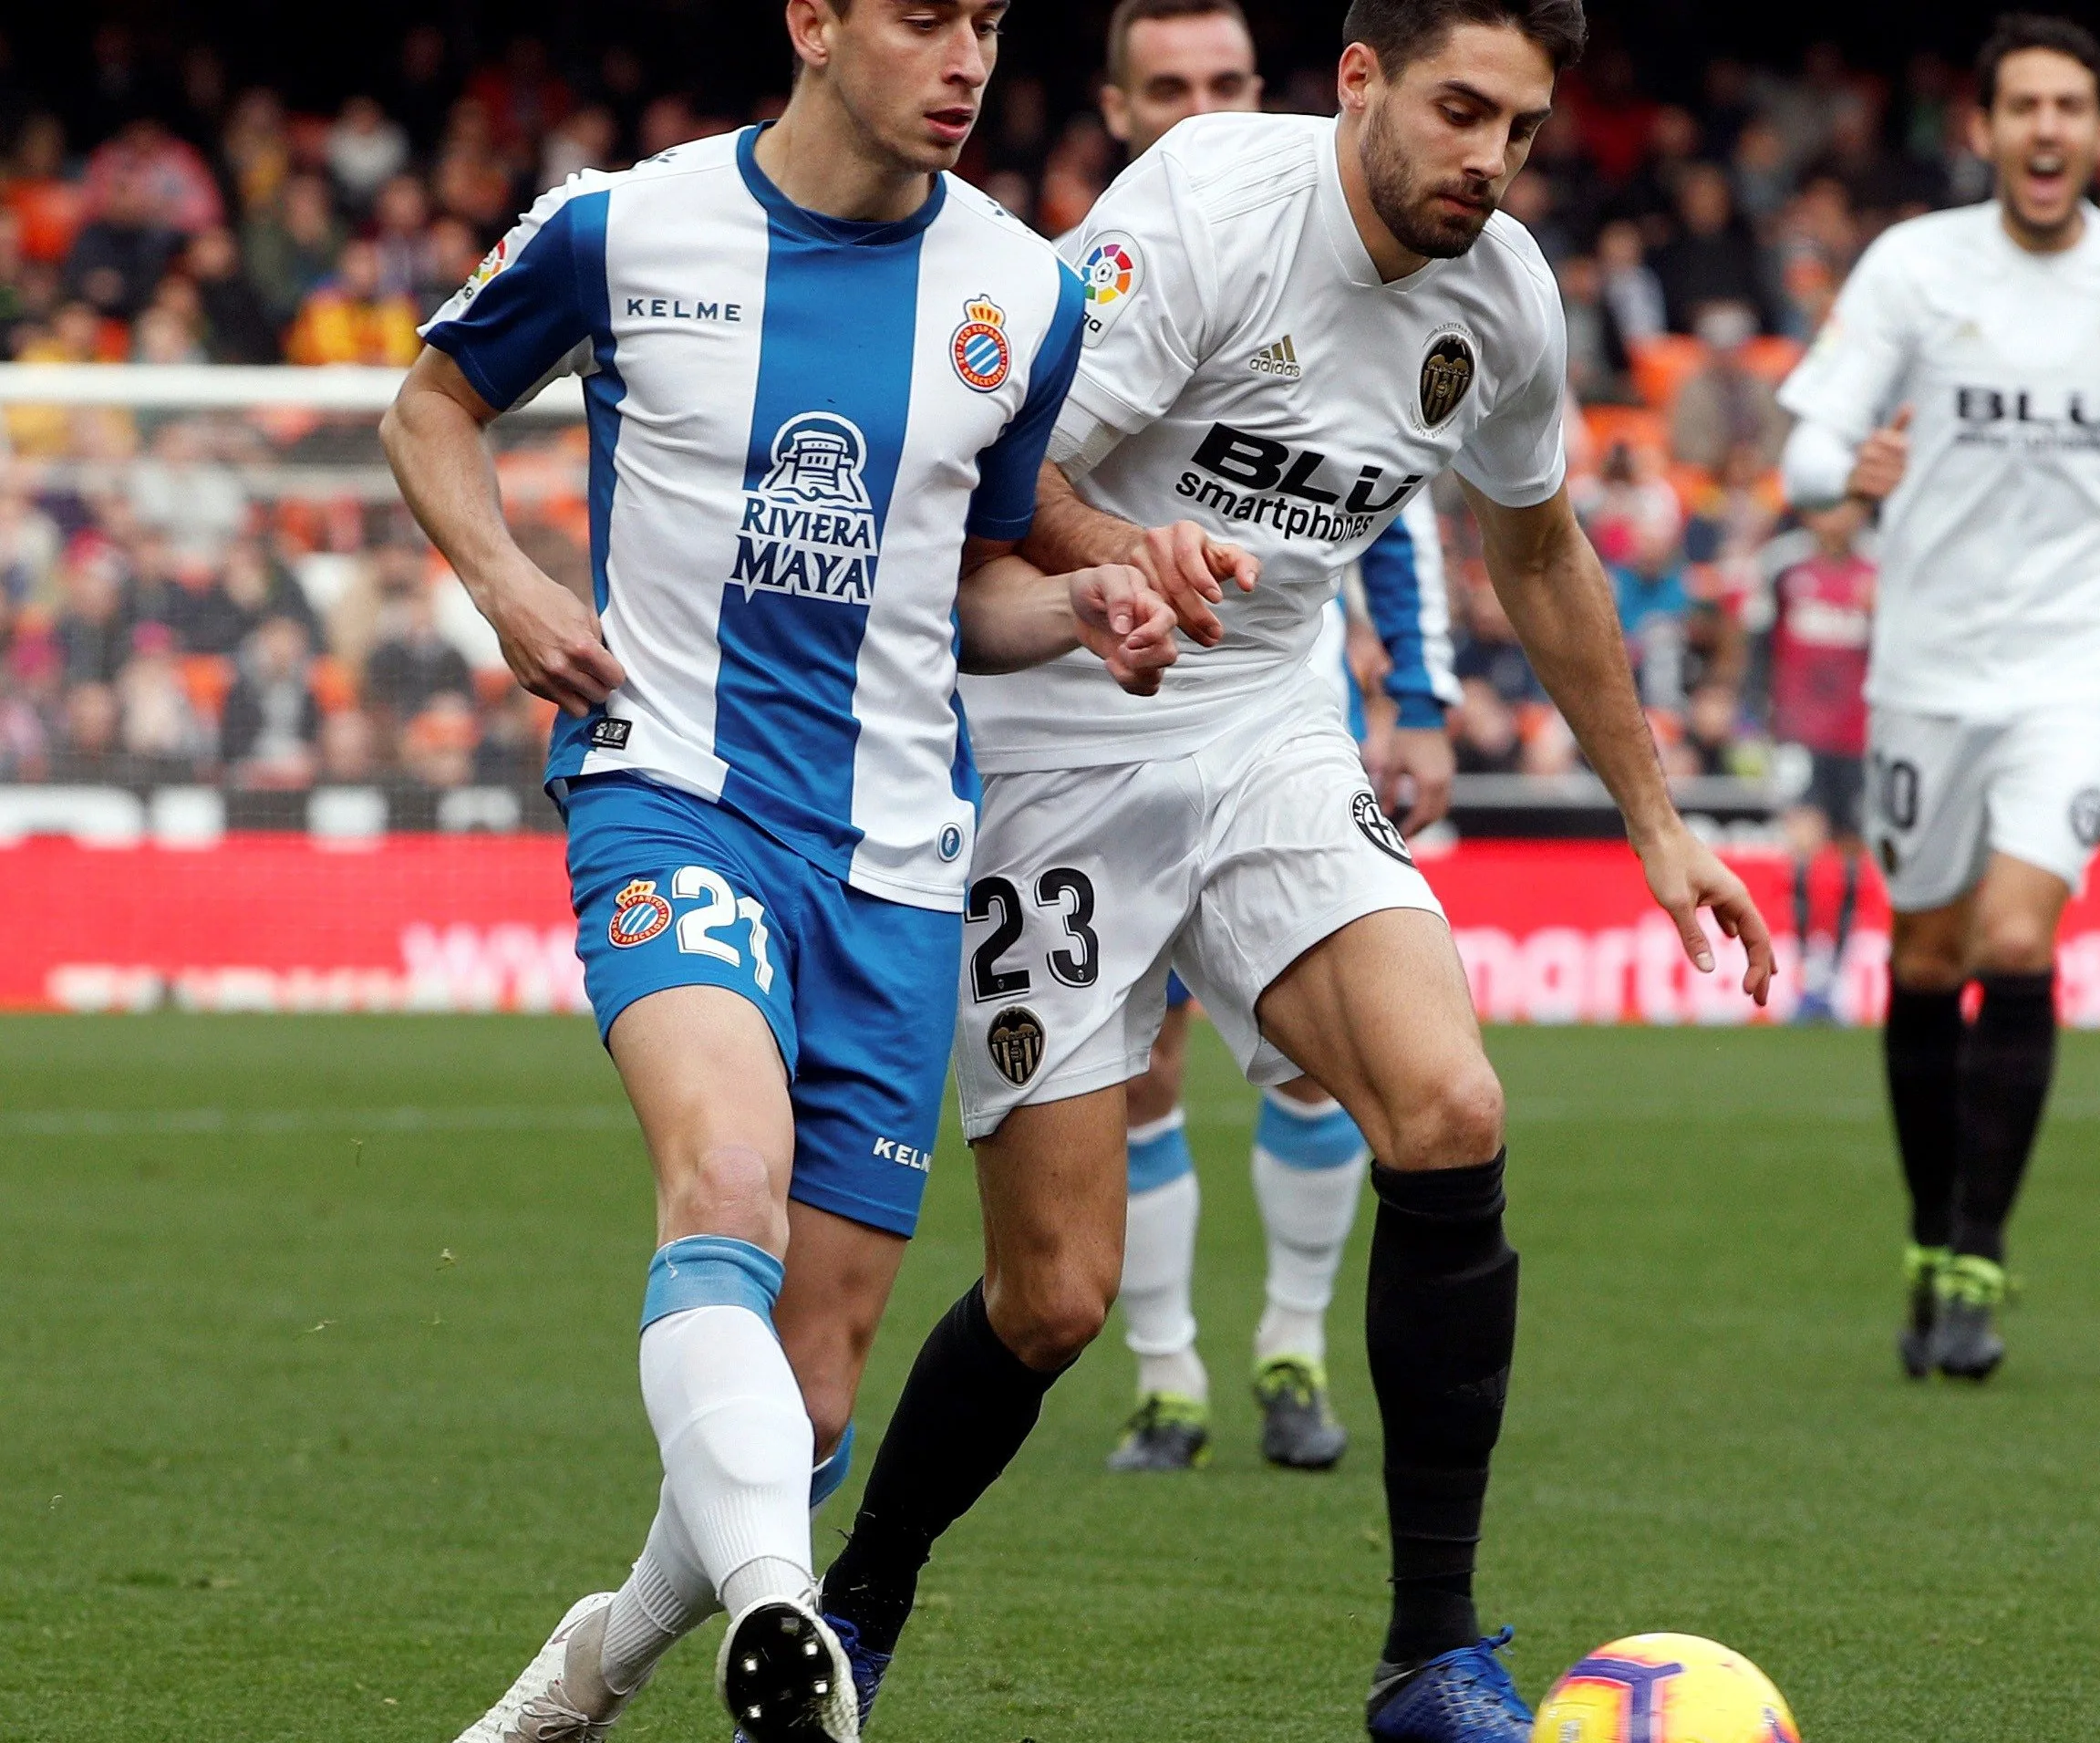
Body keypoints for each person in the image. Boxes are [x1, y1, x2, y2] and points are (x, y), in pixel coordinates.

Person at [806, 3, 1773, 1739]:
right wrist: (1126, 556)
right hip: (1057, 744)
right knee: (1052, 1299)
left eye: (1524, 130)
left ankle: (1431, 1652)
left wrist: (1653, 815)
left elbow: (1539, 550)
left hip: (1268, 736)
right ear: (1358, 82)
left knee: (1451, 1106)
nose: (1488, 159)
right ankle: (855, 1602)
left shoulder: (1507, 296)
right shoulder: (1203, 213)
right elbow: (984, 480)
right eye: (1459, 110)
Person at [383, 0, 1176, 1737]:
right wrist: (513, 586)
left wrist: (1081, 606)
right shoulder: (621, 226)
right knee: (724, 1175)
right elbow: (430, 411)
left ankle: (594, 1667)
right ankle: (780, 1617)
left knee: (810, 1394)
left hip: (897, 870)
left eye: (987, 21)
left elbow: (964, 584)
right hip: (672, 791)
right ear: (815, 23)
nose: (966, 57)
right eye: (921, 18)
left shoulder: (1022, 295)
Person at [1775, 13, 2100, 1383]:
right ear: (1985, 130)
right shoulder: (1914, 267)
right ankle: (1929, 1234)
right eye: (2022, 107)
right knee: (1925, 957)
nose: (2046, 130)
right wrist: (1840, 479)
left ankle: (1981, 1255)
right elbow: (1815, 433)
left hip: (2082, 654)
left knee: (2012, 936)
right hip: (1930, 659)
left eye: (2069, 107)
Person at [1078, 0, 1464, 1479]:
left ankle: (1291, 1349)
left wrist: (1416, 700)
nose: (1201, 109)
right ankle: (1165, 1373)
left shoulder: (1349, 266)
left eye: (1227, 81)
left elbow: (1376, 497)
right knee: (1139, 1073)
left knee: (1315, 1063)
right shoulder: (1106, 280)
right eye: (1166, 87)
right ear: (1115, 111)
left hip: (1268, 719)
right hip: (1099, 727)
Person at [1741, 497, 1876, 1021]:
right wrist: (1753, 721)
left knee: (1847, 855)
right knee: (1802, 845)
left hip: (1860, 738)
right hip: (1798, 734)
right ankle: (1801, 975)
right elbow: (1756, 647)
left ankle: (1832, 980)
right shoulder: (1782, 566)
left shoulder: (1880, 570)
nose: (1838, 518)